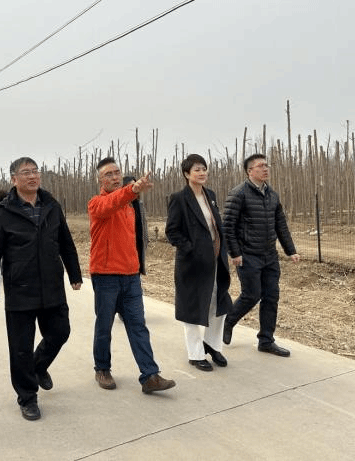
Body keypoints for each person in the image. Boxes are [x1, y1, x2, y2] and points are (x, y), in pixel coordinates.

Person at [0, 157, 82, 421]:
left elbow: (66, 242)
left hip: (52, 286)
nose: (32, 176)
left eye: (35, 171)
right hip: (20, 289)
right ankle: (27, 397)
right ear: (14, 179)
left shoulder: (51, 205)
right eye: (25, 172)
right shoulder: (2, 212)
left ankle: (38, 366)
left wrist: (74, 273)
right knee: (20, 348)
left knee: (60, 332)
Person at [88, 157, 175, 394]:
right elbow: (112, 202)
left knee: (138, 326)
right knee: (104, 326)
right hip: (106, 276)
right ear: (100, 180)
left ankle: (150, 375)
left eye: (117, 172)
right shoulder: (97, 203)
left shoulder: (129, 207)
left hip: (130, 277)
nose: (114, 177)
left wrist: (138, 267)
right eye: (108, 174)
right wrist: (133, 190)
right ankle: (102, 368)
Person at [222, 154, 300, 357]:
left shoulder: (272, 195)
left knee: (271, 296)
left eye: (267, 165)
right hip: (247, 255)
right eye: (261, 166)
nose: (266, 169)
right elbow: (227, 226)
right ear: (250, 171)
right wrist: (235, 253)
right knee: (251, 295)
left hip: (270, 255)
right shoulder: (238, 193)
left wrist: (290, 250)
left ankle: (266, 341)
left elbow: (280, 224)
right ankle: (228, 321)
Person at [165, 154, 233, 371]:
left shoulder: (210, 195)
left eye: (204, 168)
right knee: (193, 307)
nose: (202, 173)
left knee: (219, 303)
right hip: (192, 264)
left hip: (215, 260)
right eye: (197, 169)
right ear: (187, 174)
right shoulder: (179, 198)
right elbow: (172, 232)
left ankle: (212, 345)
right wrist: (191, 250)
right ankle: (195, 354)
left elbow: (216, 226)